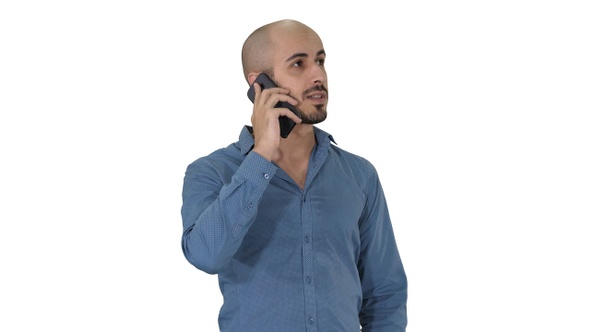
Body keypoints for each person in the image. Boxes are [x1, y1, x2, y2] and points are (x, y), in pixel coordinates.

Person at [181, 19, 407, 331]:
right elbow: (207, 256)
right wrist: (262, 155)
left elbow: (385, 293)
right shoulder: (212, 172)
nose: (318, 76)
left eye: (321, 61)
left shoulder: (359, 175)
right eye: (298, 64)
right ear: (259, 84)